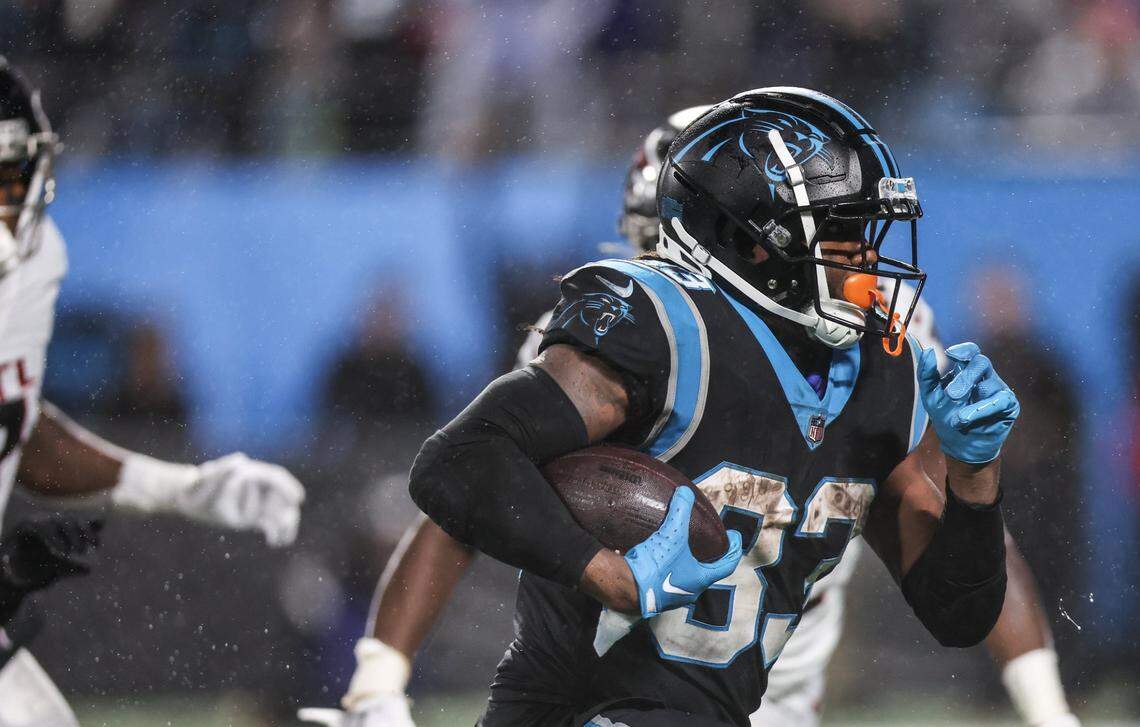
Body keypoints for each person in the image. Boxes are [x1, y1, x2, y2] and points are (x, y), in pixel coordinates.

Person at [303, 97, 1079, 727]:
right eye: (845, 235)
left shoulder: (885, 366)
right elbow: (457, 469)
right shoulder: (657, 329)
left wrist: (977, 471)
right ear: (757, 243)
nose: (871, 261)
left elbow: (958, 609)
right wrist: (606, 573)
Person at [0, 57, 306, 725]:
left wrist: (182, 488)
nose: (15, 199)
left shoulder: (30, 265)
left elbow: (18, 429)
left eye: (19, 174)